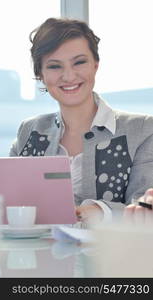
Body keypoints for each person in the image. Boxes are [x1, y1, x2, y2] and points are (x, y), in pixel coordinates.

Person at [9, 17, 153, 224]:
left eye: (79, 62)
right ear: (41, 74)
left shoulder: (143, 129)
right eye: (54, 66)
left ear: (95, 65)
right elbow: (9, 200)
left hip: (114, 254)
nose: (68, 76)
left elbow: (145, 209)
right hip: (37, 254)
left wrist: (99, 210)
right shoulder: (29, 131)